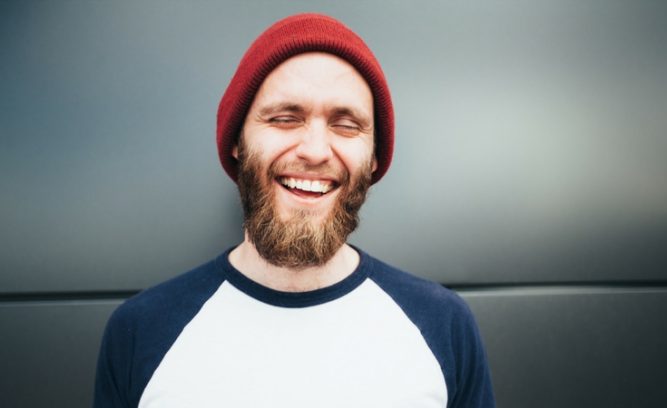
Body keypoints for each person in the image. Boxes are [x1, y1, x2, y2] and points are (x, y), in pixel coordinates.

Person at [93, 13, 494, 408]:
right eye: (285, 118)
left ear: (373, 159)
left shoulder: (443, 327)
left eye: (346, 125)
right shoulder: (142, 332)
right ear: (238, 142)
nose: (315, 151)